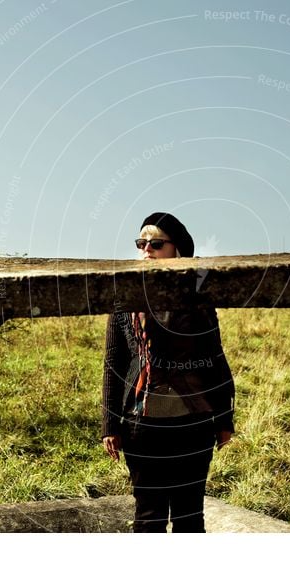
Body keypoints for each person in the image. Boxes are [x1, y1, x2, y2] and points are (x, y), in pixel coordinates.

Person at [101, 212, 235, 533]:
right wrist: (109, 424)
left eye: (156, 244)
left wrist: (224, 419)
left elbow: (214, 356)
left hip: (194, 425)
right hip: (142, 428)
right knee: (149, 518)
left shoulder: (199, 297)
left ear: (177, 250)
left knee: (190, 517)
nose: (147, 249)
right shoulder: (124, 296)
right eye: (141, 243)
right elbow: (114, 363)